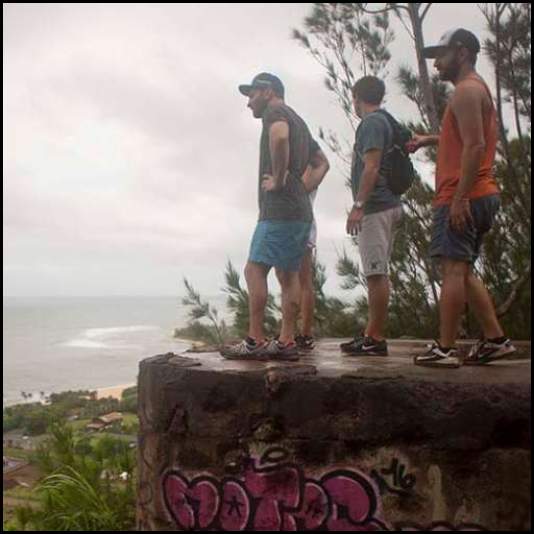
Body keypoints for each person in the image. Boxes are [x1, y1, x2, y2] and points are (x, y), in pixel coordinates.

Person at [408, 28, 516, 367]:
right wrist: (430, 139)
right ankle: (496, 340)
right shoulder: (475, 90)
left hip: (463, 193)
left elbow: (476, 146)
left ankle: (446, 348)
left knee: (453, 270)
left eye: (441, 56)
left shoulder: (466, 92)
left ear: (463, 53)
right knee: (464, 270)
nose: (437, 64)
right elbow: (466, 137)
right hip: (481, 193)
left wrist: (459, 198)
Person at [220, 73, 329, 361]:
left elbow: (279, 137)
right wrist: (301, 188)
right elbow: (322, 163)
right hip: (299, 210)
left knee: (254, 270)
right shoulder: (300, 122)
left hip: (280, 210)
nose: (248, 103)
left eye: (251, 95)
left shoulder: (276, 112)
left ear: (267, 92)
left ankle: (255, 341)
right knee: (288, 274)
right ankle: (286, 342)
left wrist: (281, 181)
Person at [340, 76, 403, 357]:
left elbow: (371, 167)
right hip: (386, 204)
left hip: (376, 207)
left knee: (376, 274)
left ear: (357, 97)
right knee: (376, 272)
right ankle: (370, 334)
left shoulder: (372, 123)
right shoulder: (387, 120)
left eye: (353, 99)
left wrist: (358, 205)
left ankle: (375, 338)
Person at [295, 150, 330, 351]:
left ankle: (305, 333)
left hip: (301, 223)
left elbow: (302, 188)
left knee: (303, 280)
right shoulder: (304, 165)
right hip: (302, 223)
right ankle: (296, 331)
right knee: (294, 280)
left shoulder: (308, 166)